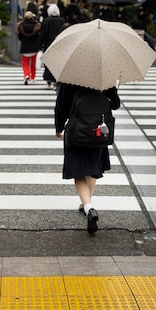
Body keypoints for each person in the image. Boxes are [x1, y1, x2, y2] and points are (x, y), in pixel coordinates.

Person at [55, 83, 121, 234]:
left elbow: (61, 106)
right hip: (97, 130)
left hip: (76, 132)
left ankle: (88, 206)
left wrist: (58, 127)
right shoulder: (104, 78)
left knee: (79, 172)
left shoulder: (68, 79)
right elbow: (115, 105)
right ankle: (87, 202)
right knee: (92, 169)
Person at [38, 3, 69, 88]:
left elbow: (43, 34)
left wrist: (40, 45)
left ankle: (48, 79)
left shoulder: (46, 20)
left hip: (49, 44)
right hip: (60, 44)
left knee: (48, 62)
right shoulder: (62, 20)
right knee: (58, 63)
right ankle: (56, 79)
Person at [17, 11, 41, 84]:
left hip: (25, 47)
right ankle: (33, 77)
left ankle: (26, 75)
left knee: (25, 63)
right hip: (34, 47)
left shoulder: (21, 26)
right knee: (33, 64)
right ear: (32, 18)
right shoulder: (36, 26)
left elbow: (20, 37)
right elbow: (38, 37)